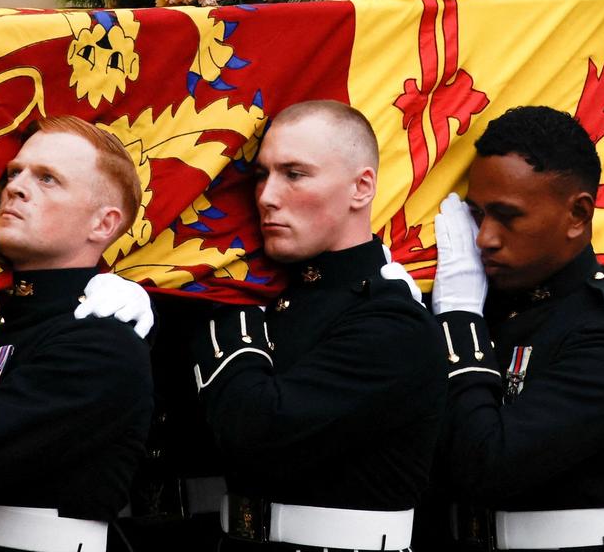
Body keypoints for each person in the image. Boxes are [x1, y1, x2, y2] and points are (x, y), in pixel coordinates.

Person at [189, 99, 447, 552]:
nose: (267, 196)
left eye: (294, 174)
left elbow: (257, 431)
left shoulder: (393, 321)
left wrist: (228, 301)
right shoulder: (278, 299)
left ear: (361, 187)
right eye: (262, 175)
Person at [0, 116, 155, 552]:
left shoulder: (104, 343)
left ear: (103, 225)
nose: (15, 187)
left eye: (48, 179)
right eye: (14, 172)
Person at [424, 105, 604, 551]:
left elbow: (486, 466)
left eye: (508, 215)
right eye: (478, 215)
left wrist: (460, 322)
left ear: (578, 215)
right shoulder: (492, 304)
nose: (484, 238)